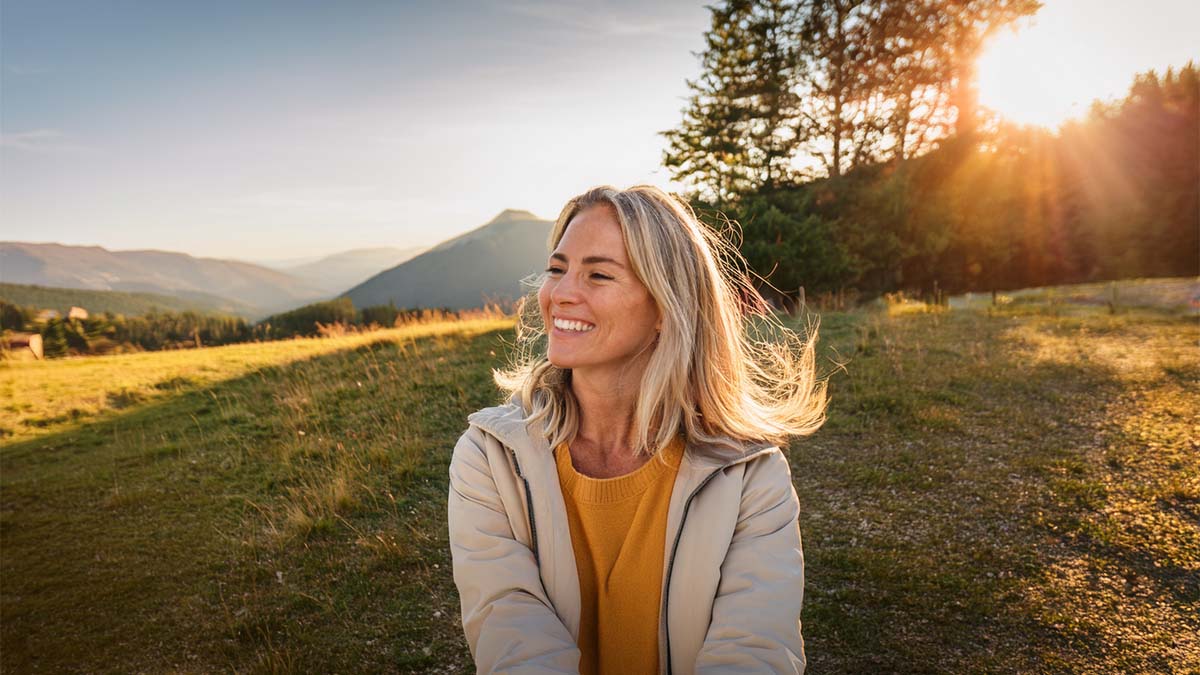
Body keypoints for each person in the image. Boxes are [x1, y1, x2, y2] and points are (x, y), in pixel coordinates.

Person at [447, 185, 828, 674]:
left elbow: (754, 656)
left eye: (599, 275)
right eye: (557, 269)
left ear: (667, 307)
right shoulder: (491, 457)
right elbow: (516, 645)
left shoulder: (751, 477)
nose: (560, 293)